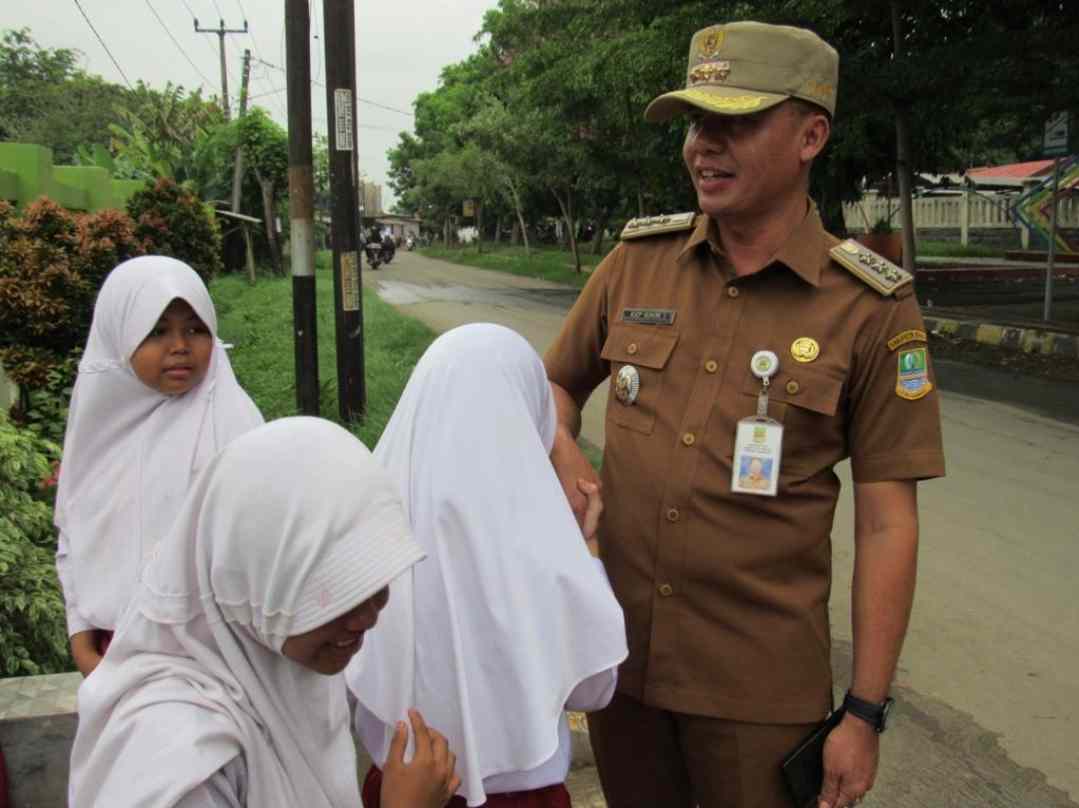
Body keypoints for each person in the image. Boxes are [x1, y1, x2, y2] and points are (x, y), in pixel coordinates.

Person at [543, 20, 945, 808]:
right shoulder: (637, 263)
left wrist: (863, 712)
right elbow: (553, 386)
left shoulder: (869, 306)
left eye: (737, 121)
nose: (704, 145)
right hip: (618, 663)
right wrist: (561, 446)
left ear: (810, 135)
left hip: (758, 692)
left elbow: (886, 523)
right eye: (697, 123)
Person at [68, 417, 460, 808]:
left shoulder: (286, 664)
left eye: (374, 585)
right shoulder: (173, 757)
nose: (367, 617)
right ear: (254, 578)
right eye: (332, 594)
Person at [347, 323, 628, 808]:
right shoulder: (544, 538)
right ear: (528, 412)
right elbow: (595, 686)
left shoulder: (368, 533)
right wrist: (588, 549)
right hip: (523, 797)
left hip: (396, 791)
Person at [54, 255, 263, 678]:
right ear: (119, 336)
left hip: (218, 661)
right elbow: (73, 532)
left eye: (195, 328)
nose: (180, 346)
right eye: (157, 331)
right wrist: (80, 632)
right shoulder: (100, 430)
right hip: (115, 655)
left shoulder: (233, 426)